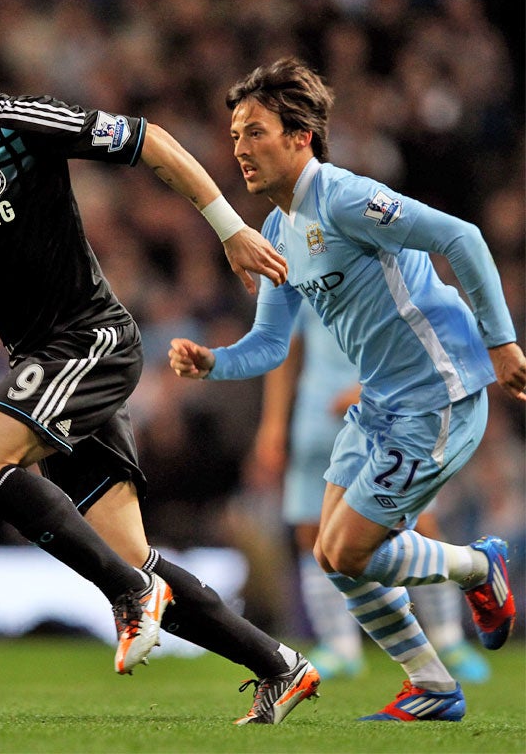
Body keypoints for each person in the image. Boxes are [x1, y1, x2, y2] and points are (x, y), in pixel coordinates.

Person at [0, 1, 319, 725]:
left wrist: (230, 229)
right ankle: (279, 665)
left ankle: (126, 597)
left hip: (91, 340)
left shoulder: (20, 123)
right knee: (131, 555)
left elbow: (152, 142)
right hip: (44, 359)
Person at [169, 57, 523, 722]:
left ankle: (481, 569)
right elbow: (273, 345)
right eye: (236, 134)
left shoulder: (347, 200)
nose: (239, 148)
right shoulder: (276, 231)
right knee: (333, 556)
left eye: (255, 132)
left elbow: (463, 237)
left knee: (351, 548)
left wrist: (501, 343)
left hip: (438, 393)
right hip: (381, 405)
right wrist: (211, 362)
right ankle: (433, 687)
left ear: (300, 136)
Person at [250, 301, 491, 683]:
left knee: (417, 523)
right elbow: (284, 346)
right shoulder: (294, 261)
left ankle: (448, 638)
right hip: (318, 412)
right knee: (313, 532)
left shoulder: (388, 256)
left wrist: (379, 393)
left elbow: (422, 334)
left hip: (388, 408)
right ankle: (339, 645)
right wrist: (274, 424)